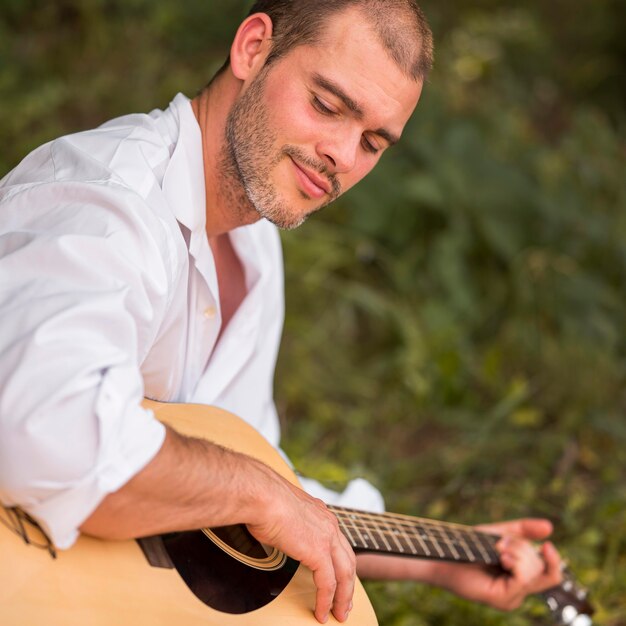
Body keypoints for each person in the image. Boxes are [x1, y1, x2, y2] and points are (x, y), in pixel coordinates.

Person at [0, 0, 562, 623]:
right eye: (327, 105)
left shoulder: (256, 249)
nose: (344, 157)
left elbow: (249, 475)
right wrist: (256, 491)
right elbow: (53, 432)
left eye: (374, 142)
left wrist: (437, 559)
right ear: (253, 47)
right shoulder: (105, 204)